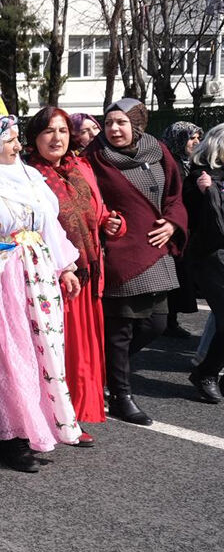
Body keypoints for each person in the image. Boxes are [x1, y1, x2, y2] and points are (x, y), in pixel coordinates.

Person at [0, 114, 83, 471]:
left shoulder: (29, 178)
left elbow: (50, 226)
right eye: (10, 139)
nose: (18, 146)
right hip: (0, 278)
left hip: (37, 273)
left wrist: (66, 267)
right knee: (9, 356)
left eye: (15, 139)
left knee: (41, 350)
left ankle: (37, 424)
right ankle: (12, 436)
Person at [23, 107, 126, 437]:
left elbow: (97, 212)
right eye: (48, 132)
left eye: (63, 131)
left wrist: (113, 222)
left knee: (79, 353)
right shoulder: (27, 174)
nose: (57, 138)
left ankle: (74, 414)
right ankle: (54, 418)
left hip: (86, 273)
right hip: (50, 276)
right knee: (56, 352)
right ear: (34, 138)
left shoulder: (80, 168)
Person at [85, 99, 188, 424]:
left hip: (157, 252)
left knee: (156, 323)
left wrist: (173, 223)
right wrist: (103, 222)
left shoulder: (157, 151)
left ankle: (102, 371)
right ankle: (121, 396)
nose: (114, 129)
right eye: (110, 122)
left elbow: (174, 195)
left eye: (121, 123)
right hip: (121, 252)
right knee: (121, 330)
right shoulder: (95, 156)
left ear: (136, 125)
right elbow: (85, 200)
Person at [185, 124, 224, 403]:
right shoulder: (199, 177)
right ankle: (205, 372)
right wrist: (207, 193)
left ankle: (208, 370)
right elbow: (203, 222)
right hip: (210, 257)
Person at [162, 122, 204, 338]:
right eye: (190, 138)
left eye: (198, 137)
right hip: (172, 227)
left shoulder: (190, 163)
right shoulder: (168, 162)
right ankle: (166, 321)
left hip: (185, 228)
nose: (196, 142)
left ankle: (171, 320)